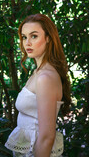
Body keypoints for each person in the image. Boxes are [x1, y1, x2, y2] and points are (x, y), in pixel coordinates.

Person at [5, 13, 71, 157]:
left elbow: (47, 137)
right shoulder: (38, 72)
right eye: (24, 37)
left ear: (48, 38)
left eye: (34, 36)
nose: (27, 43)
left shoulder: (45, 77)